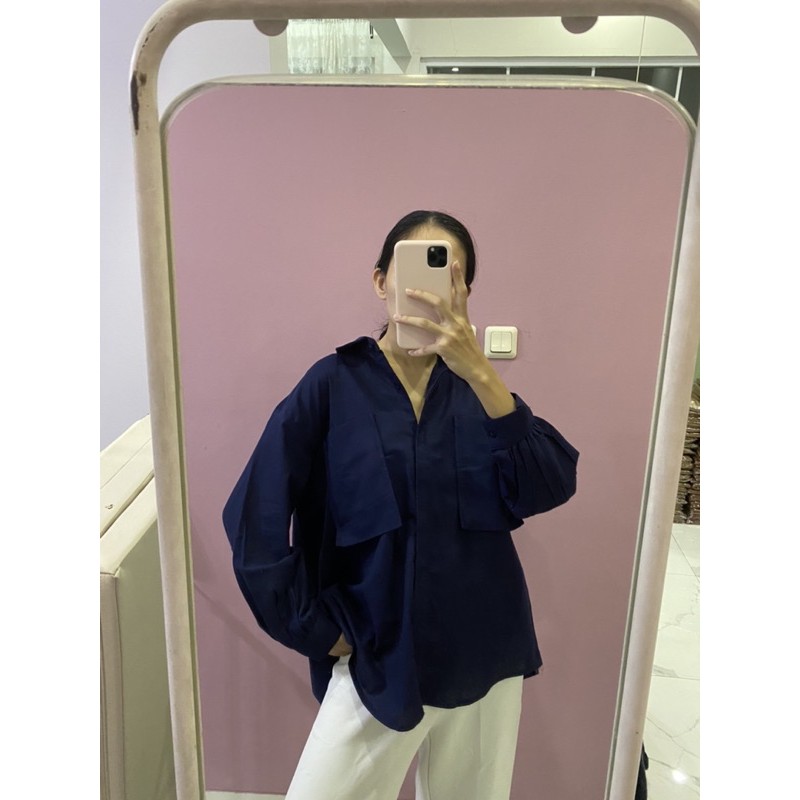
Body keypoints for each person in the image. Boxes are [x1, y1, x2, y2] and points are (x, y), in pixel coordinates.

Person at [222, 210, 579, 800]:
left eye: (450, 275)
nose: (427, 289)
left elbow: (549, 485)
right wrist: (315, 628)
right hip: (376, 649)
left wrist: (481, 371)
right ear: (381, 280)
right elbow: (253, 514)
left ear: (464, 293)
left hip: (485, 646)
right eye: (413, 268)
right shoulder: (332, 384)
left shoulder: (480, 392)